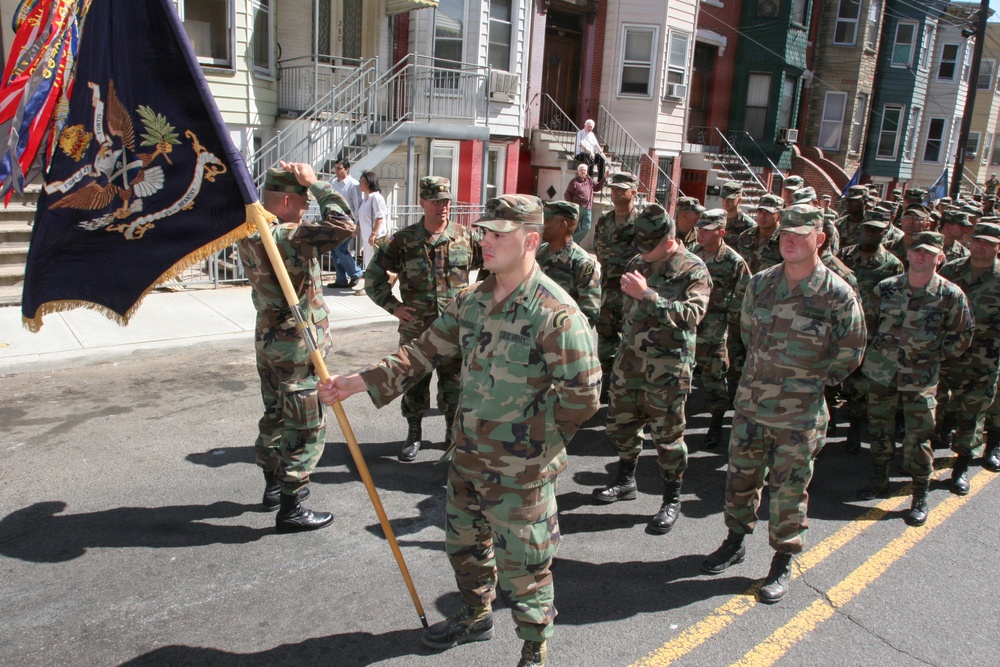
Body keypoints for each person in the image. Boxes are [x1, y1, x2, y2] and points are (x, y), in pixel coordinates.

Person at [318, 194, 600, 667]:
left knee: (525, 563)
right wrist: (358, 382)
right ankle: (474, 615)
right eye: (484, 232)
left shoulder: (556, 313)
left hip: (521, 468)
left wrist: (540, 443)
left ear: (531, 241)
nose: (484, 241)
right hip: (467, 453)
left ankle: (534, 647)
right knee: (465, 545)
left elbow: (583, 396)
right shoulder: (471, 299)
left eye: (497, 235)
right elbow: (421, 351)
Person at [701, 204, 866, 604]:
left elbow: (852, 350)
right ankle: (736, 539)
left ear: (820, 239)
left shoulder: (837, 294)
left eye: (801, 234)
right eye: (785, 233)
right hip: (752, 406)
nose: (790, 240)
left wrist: (810, 382)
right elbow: (745, 333)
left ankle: (783, 558)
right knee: (740, 480)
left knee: (789, 490)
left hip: (799, 414)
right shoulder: (760, 284)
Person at [237, 162, 356, 532]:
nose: (307, 207)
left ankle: (273, 487)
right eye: (303, 201)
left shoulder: (249, 232)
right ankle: (291, 506)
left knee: (274, 414)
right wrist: (318, 183)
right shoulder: (287, 236)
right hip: (298, 347)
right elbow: (344, 224)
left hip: (269, 341)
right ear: (287, 199)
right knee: (305, 425)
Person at [592, 203, 711, 535]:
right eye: (640, 245)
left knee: (668, 439)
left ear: (669, 240)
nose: (643, 252)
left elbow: (691, 316)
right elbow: (620, 308)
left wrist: (648, 296)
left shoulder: (693, 269)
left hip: (667, 371)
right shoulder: (636, 261)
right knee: (620, 428)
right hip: (629, 364)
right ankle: (626, 480)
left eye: (650, 245)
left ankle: (671, 499)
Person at [858, 232, 972, 526]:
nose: (921, 257)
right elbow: (866, 325)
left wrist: (933, 356)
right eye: (917, 251)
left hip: (920, 378)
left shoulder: (950, 295)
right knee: (879, 431)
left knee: (919, 438)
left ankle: (919, 494)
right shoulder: (886, 289)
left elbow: (962, 335)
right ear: (908, 255)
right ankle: (878, 480)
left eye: (929, 253)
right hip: (882, 373)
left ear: (940, 258)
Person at [363, 176, 478, 462]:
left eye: (447, 201)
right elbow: (373, 279)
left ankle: (451, 437)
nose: (443, 206)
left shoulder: (465, 237)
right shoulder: (402, 241)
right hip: (417, 330)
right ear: (422, 202)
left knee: (454, 386)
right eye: (436, 201)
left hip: (455, 330)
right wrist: (394, 307)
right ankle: (414, 433)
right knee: (414, 383)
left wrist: (479, 302)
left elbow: (492, 268)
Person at [936, 222, 1000, 491]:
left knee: (973, 414)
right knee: (936, 407)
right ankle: (926, 455)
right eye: (976, 240)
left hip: (984, 359)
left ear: (998, 247)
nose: (980, 246)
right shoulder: (952, 269)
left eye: (987, 242)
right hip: (948, 355)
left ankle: (960, 467)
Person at [837, 211, 904, 452]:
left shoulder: (892, 263)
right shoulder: (844, 255)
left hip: (873, 331)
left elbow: (895, 301)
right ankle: (836, 422)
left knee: (863, 382)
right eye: (868, 229)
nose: (871, 233)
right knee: (839, 378)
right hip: (845, 327)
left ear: (884, 234)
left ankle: (855, 428)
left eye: (877, 230)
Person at [691, 209, 750, 448]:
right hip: (688, 325)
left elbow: (745, 293)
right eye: (699, 229)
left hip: (714, 329)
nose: (700, 234)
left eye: (706, 230)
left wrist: (727, 313)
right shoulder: (691, 254)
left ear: (721, 232)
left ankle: (716, 423)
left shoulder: (733, 261)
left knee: (714, 378)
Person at [594, 171, 642, 397]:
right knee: (605, 338)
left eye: (621, 189)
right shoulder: (604, 220)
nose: (615, 193)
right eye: (613, 188)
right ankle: (607, 381)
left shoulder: (642, 224)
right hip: (607, 290)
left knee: (632, 338)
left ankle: (628, 385)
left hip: (631, 291)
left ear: (634, 192)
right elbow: (598, 248)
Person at [537, 200, 601, 327]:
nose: (541, 226)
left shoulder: (582, 264)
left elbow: (590, 314)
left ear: (562, 225)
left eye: (546, 221)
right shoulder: (538, 252)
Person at [327, 158, 365, 289]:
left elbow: (358, 205)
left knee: (340, 249)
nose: (336, 171)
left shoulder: (353, 185)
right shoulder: (333, 183)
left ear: (347, 169)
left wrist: (357, 225)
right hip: (334, 220)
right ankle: (341, 279)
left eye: (339, 168)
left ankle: (356, 272)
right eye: (335, 168)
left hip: (348, 221)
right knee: (335, 250)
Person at [563, 162, 606, 246]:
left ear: (587, 171)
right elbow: (567, 194)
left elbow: (597, 188)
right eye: (581, 170)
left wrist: (604, 178)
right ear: (578, 171)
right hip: (577, 208)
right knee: (574, 227)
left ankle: (571, 242)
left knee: (586, 227)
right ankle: (572, 245)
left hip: (587, 208)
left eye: (585, 170)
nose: (583, 172)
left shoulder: (589, 181)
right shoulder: (574, 182)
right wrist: (571, 205)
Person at [357, 170, 388, 271]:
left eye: (362, 181)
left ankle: (386, 279)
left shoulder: (376, 198)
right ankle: (371, 285)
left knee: (376, 264)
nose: (360, 184)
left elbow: (380, 217)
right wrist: (357, 229)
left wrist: (374, 233)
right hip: (367, 237)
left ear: (369, 183)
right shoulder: (365, 199)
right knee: (369, 263)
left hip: (376, 237)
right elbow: (362, 216)